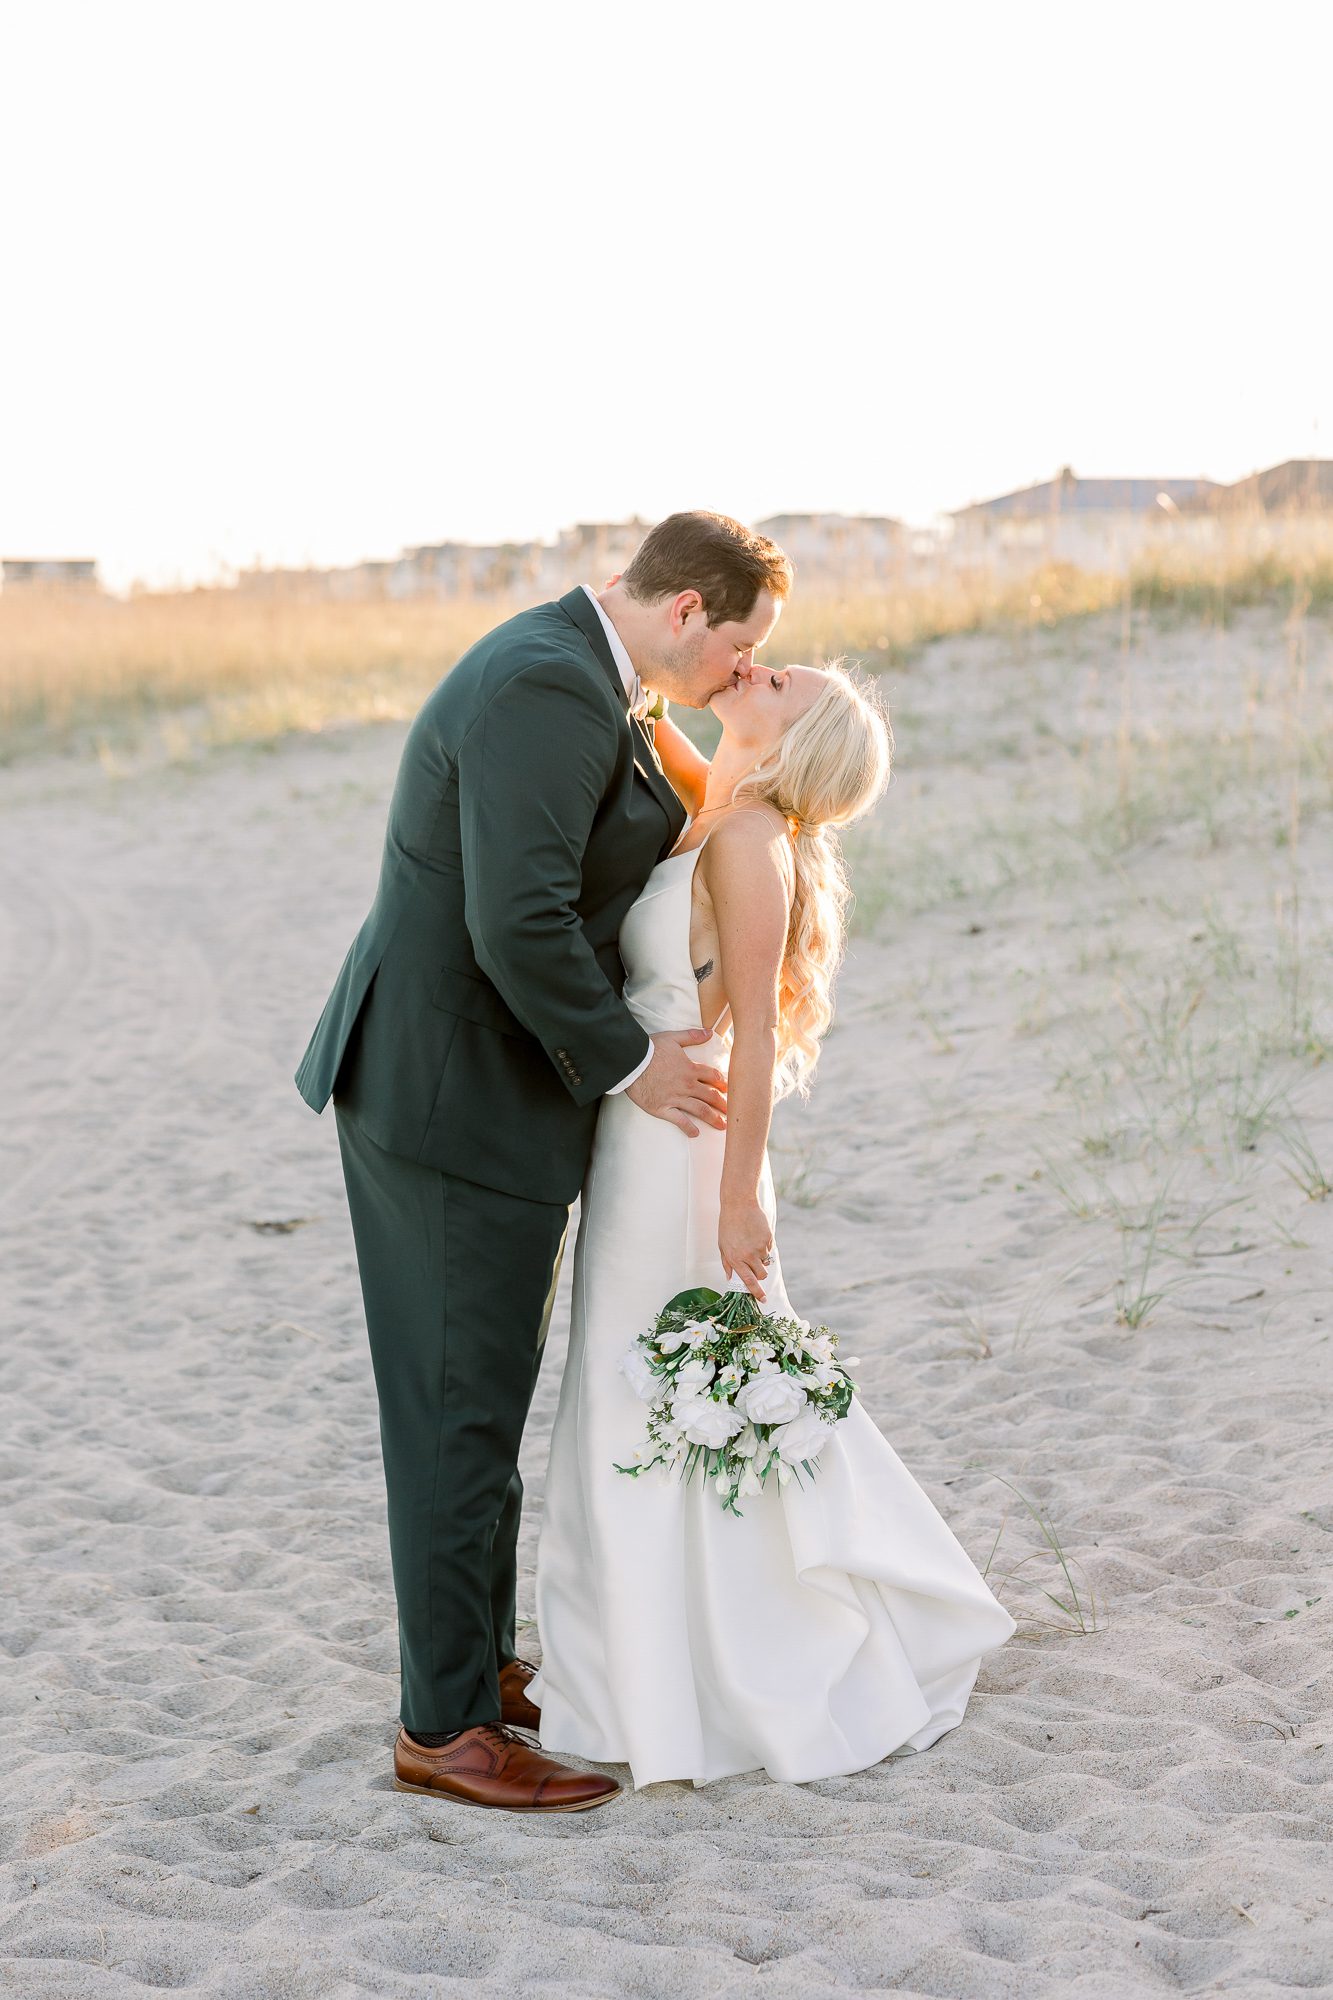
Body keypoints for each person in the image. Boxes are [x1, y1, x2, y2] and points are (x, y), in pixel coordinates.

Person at [294, 511, 792, 1811]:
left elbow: (682, 826)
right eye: (738, 646)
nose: (740, 671)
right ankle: (444, 1728)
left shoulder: (605, 687)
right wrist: (635, 1062)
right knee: (456, 1414)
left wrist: (746, 739)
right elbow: (511, 915)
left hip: (488, 1095)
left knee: (482, 1398)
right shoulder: (546, 687)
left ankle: (478, 1665)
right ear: (687, 611)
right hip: (445, 1097)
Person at [529, 656, 1019, 1787]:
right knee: (620, 1381)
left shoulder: (755, 845)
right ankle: (636, 1664)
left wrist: (742, 1194)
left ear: (796, 741)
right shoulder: (716, 801)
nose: (761, 668)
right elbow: (648, 711)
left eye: (782, 683)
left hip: (688, 1144)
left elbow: (748, 1035)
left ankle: (730, 1666)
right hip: (633, 1127)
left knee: (660, 1377)